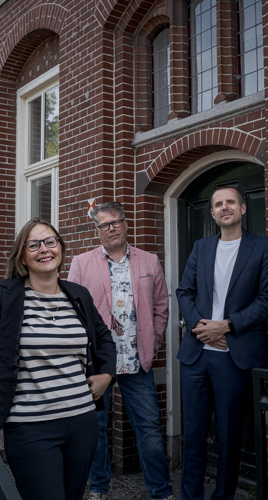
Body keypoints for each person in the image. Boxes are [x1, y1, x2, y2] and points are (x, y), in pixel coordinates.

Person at [0, 218, 116, 500]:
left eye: (50, 242)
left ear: (60, 247)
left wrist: (106, 374)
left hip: (82, 422)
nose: (44, 249)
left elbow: (104, 338)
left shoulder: (78, 295)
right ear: (22, 256)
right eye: (33, 245)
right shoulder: (5, 296)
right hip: (30, 426)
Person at [176, 184, 268, 500]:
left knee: (229, 436)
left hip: (232, 357)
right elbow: (184, 291)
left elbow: (266, 300)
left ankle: (223, 496)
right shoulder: (201, 247)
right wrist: (200, 326)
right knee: (193, 434)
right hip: (195, 355)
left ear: (243, 208)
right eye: (218, 204)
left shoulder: (261, 247)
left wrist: (227, 326)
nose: (225, 207)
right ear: (212, 213)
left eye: (230, 202)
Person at [68, 202, 175, 500]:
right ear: (97, 230)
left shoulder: (149, 261)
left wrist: (154, 339)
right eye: (104, 224)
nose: (111, 228)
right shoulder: (81, 263)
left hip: (137, 359)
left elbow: (161, 306)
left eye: (116, 222)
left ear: (126, 224)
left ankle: (161, 491)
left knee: (149, 428)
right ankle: (98, 488)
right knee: (96, 428)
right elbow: (71, 309)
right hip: (97, 362)